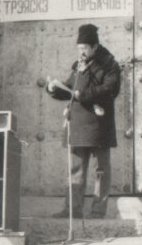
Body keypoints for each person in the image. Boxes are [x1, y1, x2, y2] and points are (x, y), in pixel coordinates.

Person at [46, 23, 121, 219]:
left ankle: (97, 211)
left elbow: (109, 90)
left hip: (99, 125)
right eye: (79, 48)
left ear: (95, 47)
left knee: (101, 170)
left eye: (85, 48)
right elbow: (70, 89)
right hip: (78, 124)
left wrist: (83, 94)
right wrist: (54, 90)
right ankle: (72, 210)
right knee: (75, 168)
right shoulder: (78, 65)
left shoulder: (109, 64)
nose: (81, 52)